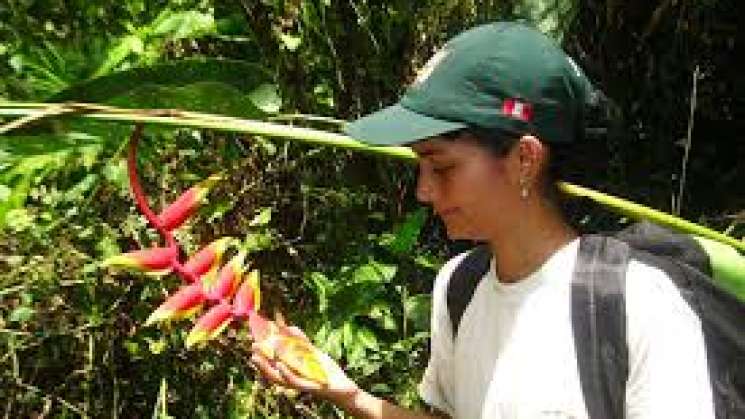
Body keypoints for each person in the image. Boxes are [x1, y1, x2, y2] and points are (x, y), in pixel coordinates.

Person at [250, 21, 714, 419]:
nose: (423, 191)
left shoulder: (639, 304)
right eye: (420, 167)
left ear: (524, 159)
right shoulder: (459, 287)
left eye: (443, 167)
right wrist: (350, 395)